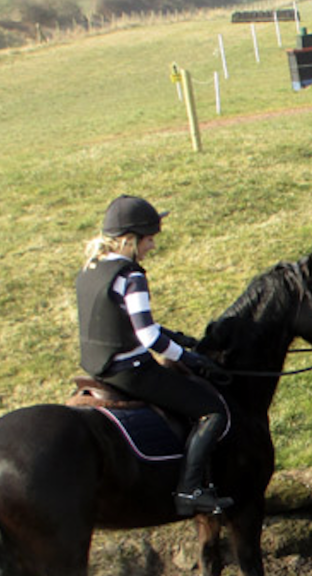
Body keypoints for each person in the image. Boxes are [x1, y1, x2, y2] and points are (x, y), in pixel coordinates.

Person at [76, 194, 233, 516]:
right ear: (129, 240)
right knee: (212, 410)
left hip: (98, 368)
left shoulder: (90, 270)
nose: (152, 246)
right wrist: (190, 359)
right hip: (130, 370)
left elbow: (128, 321)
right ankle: (190, 490)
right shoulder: (131, 276)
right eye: (149, 240)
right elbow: (147, 337)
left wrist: (174, 336)